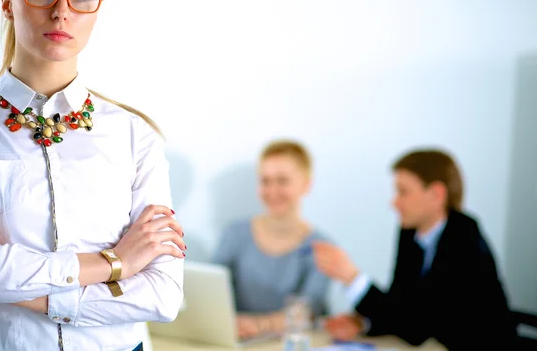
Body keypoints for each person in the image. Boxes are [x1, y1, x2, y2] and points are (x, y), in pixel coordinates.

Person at [0, 0, 186, 350]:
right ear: (7, 1)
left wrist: (6, 272)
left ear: (97, 8)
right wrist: (113, 264)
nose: (61, 12)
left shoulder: (135, 136)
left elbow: (162, 296)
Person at [313, 149, 518, 351]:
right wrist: (364, 323)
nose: (394, 202)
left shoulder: (463, 239)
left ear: (436, 194)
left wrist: (353, 278)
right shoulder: (410, 234)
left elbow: (416, 326)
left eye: (403, 192)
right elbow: (399, 305)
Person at [213, 140, 331, 340]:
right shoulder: (234, 234)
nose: (272, 191)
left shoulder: (321, 249)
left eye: (282, 181)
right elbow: (212, 294)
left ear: (306, 185)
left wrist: (257, 325)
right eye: (265, 181)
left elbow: (308, 310)